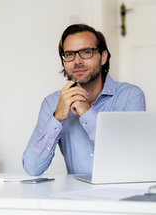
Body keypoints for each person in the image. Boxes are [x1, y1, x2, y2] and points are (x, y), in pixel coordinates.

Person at [22, 24, 146, 176]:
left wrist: (87, 112)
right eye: (69, 54)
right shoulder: (52, 103)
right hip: (75, 197)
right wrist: (57, 117)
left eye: (86, 52)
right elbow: (32, 167)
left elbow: (130, 159)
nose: (77, 61)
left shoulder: (130, 96)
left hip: (121, 195)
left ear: (103, 57)